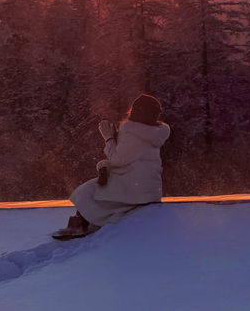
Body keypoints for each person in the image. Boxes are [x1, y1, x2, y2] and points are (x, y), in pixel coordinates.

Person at [52, 93, 170, 240]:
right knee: (103, 190)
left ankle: (80, 225)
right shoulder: (155, 134)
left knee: (87, 190)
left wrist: (108, 138)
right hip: (150, 189)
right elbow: (131, 158)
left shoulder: (133, 131)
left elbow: (117, 160)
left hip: (134, 187)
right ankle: (88, 222)